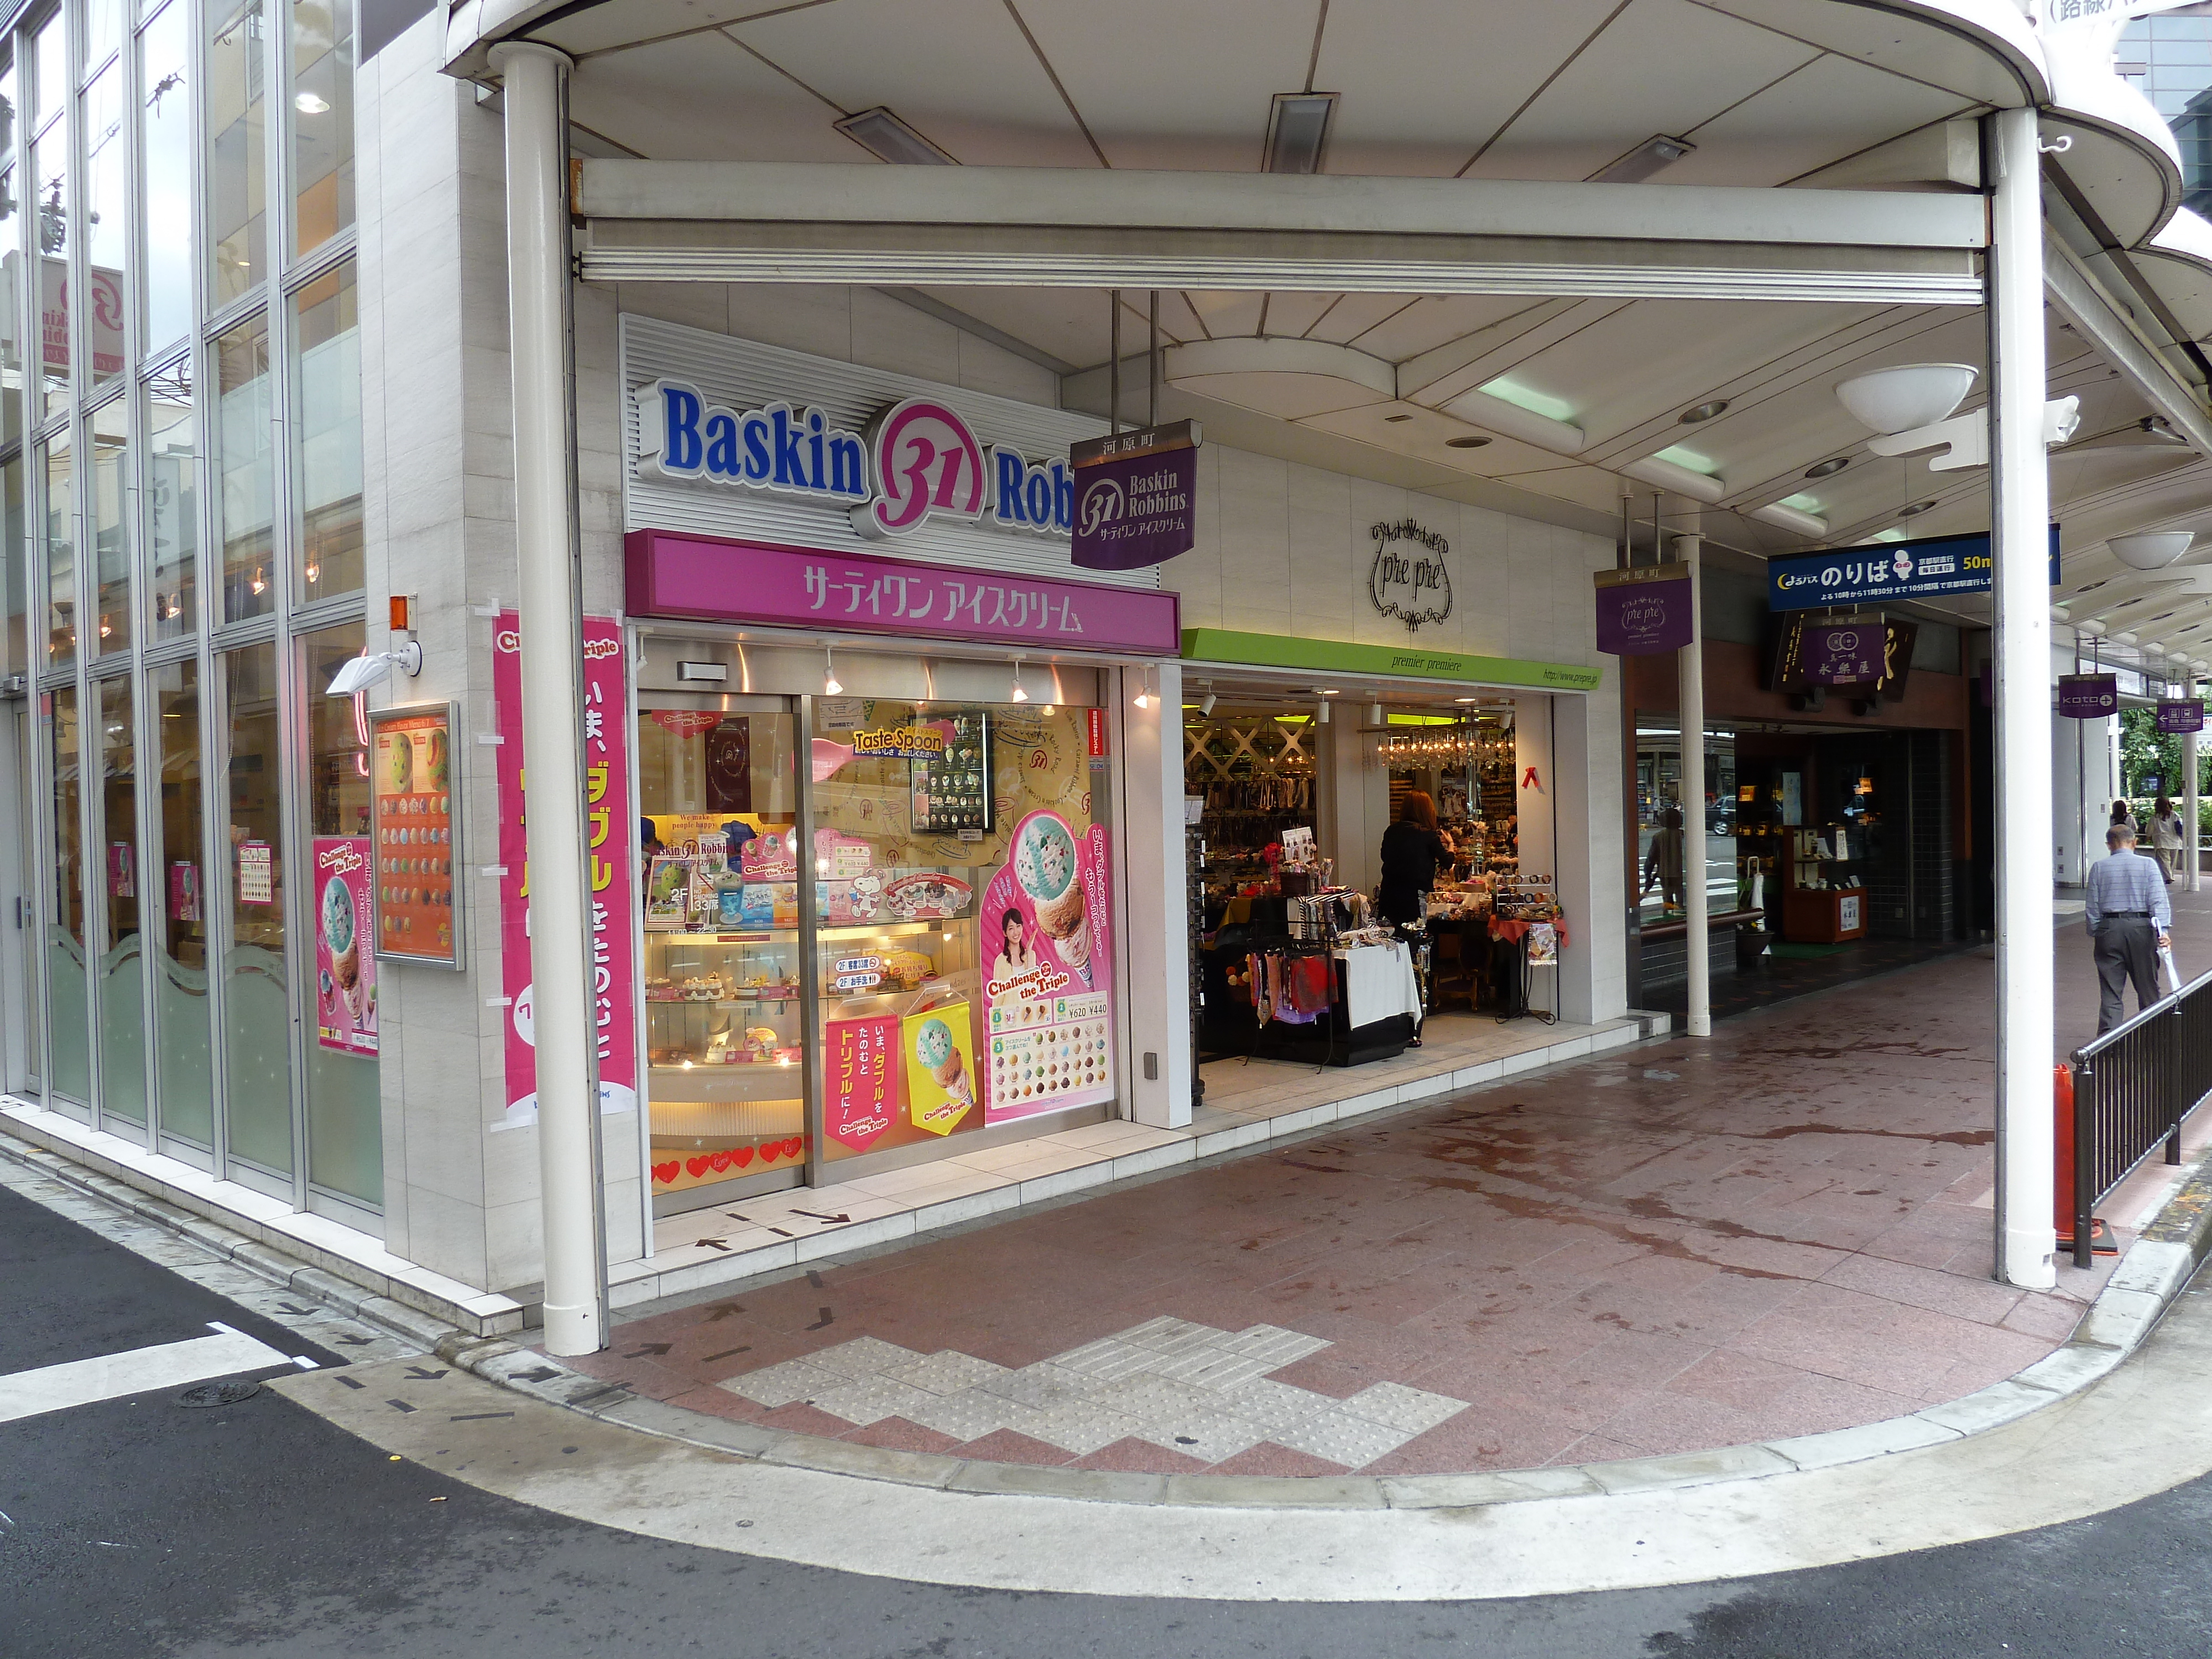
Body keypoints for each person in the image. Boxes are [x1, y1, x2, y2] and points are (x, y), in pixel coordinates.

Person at [2086, 821, 2173, 1035]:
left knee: (2111, 990)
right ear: (2134, 842)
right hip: (2141, 929)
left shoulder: (2099, 867)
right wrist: (2163, 931)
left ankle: (2108, 1039)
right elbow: (2158, 900)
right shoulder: (2148, 865)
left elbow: (2092, 905)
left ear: (2109, 845)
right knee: (2148, 987)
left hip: (2109, 928)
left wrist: (2098, 930)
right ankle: (2153, 1035)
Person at [1379, 791, 1451, 927]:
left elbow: (1384, 856)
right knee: (1416, 938)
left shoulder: (1391, 831)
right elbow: (1447, 862)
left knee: (1391, 938)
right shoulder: (1428, 834)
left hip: (1389, 893)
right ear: (1427, 811)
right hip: (1415, 896)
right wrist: (1451, 845)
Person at [1642, 807, 1686, 912]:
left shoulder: (1658, 837)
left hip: (1665, 874)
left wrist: (1648, 875)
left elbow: (1651, 859)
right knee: (1681, 898)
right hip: (1681, 874)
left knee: (1667, 898)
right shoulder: (1684, 835)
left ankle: (1669, 917)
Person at [988, 906, 1037, 987]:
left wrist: (1028, 951)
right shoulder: (1000, 961)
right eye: (1011, 928)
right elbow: (997, 996)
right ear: (1005, 933)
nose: (1016, 932)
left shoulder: (1031, 955)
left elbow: (1033, 988)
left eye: (1018, 926)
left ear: (1022, 927)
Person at [2153, 795, 2185, 881]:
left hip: (2161, 841)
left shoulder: (2155, 817)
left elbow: (2149, 830)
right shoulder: (2175, 815)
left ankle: (2168, 877)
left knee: (2164, 861)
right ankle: (2170, 875)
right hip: (2175, 841)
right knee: (2172, 861)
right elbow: (2180, 827)